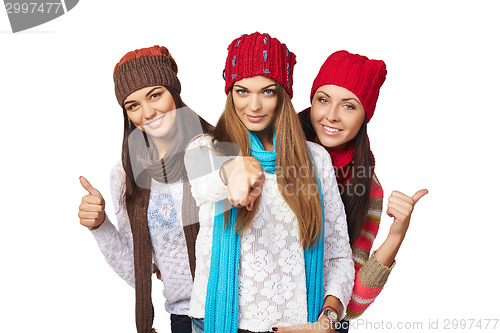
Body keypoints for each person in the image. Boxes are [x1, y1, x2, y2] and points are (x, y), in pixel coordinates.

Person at [184, 32, 354, 333]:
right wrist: (234, 171)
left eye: (267, 91)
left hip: (298, 325)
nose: (254, 105)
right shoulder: (206, 149)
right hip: (216, 322)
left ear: (283, 94)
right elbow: (204, 187)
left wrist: (328, 317)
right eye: (242, 91)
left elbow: (338, 254)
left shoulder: (315, 159)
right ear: (230, 93)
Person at [78, 45, 212, 333]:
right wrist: (100, 226)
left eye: (155, 95)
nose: (148, 112)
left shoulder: (216, 150)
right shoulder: (125, 175)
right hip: (184, 318)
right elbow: (138, 268)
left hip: (237, 310)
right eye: (133, 105)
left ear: (173, 93)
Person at [298, 50, 428, 332]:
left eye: (348, 106)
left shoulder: (367, 186)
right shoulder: (274, 151)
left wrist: (398, 232)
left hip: (324, 322)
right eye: (323, 100)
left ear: (364, 115)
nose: (331, 116)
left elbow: (353, 303)